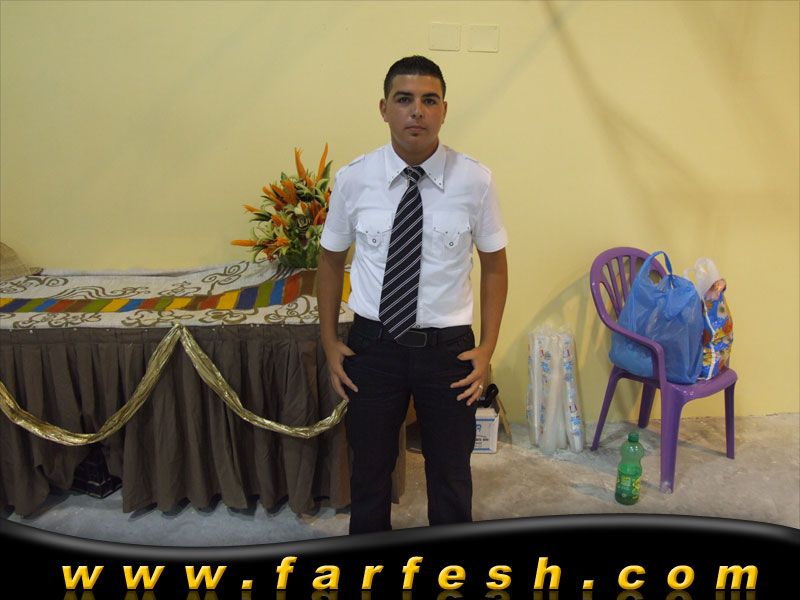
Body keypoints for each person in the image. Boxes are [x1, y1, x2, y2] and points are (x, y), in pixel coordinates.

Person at [317, 55, 508, 534]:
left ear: (444, 110)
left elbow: (495, 266)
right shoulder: (354, 178)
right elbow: (330, 260)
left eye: (429, 100)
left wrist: (487, 347)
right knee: (369, 471)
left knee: (451, 473)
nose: (416, 111)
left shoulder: (475, 181)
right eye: (404, 99)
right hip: (373, 347)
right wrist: (329, 341)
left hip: (449, 352)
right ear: (384, 109)